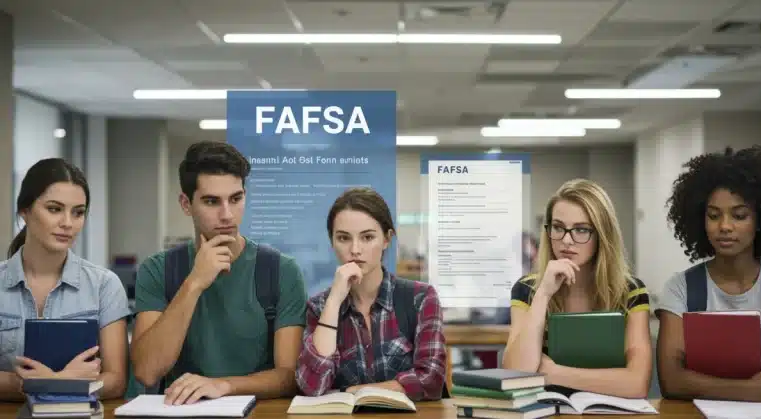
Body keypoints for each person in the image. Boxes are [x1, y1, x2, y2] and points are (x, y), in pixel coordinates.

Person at [130, 141, 308, 405]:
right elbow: (147, 371)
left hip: (258, 411)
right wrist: (194, 283)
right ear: (186, 204)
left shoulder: (281, 271)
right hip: (183, 411)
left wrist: (223, 386)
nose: (227, 215)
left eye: (236, 199)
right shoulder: (158, 269)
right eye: (212, 201)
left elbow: (289, 376)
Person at [502, 179, 651, 399]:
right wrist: (544, 293)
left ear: (602, 235)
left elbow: (637, 384)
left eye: (581, 230)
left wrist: (552, 373)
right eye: (558, 228)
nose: (567, 240)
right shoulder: (528, 288)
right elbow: (515, 373)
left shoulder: (630, 291)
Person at [295, 187, 447, 401]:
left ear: (387, 239)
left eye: (367, 237)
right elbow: (312, 386)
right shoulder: (319, 307)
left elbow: (431, 379)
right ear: (332, 241)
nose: (355, 249)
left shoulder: (420, 298)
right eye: (343, 238)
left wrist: (357, 392)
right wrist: (334, 302)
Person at [0, 158, 131, 401]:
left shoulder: (104, 285)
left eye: (78, 213)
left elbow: (117, 380)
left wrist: (52, 384)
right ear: (24, 211)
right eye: (54, 209)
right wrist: (30, 384)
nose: (67, 223)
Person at [656, 145, 761, 402]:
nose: (725, 226)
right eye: (714, 215)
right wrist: (753, 391)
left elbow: (684, 380)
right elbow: (671, 381)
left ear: (760, 220)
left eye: (739, 216)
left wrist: (700, 383)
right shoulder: (681, 288)